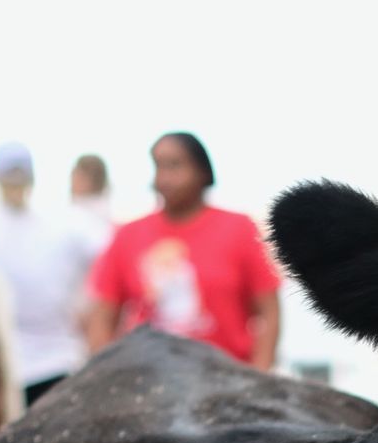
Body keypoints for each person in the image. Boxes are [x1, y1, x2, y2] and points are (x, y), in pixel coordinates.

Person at [85, 132, 280, 370]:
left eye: (174, 166)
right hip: (151, 380)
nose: (163, 178)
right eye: (158, 167)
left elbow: (270, 311)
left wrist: (259, 376)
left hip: (227, 380)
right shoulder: (128, 235)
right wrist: (107, 375)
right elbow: (103, 316)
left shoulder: (239, 229)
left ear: (203, 172)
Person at [0, 141, 102, 406]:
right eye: (10, 177)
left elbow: (109, 260)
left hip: (58, 362)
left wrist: (90, 312)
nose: (15, 185)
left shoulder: (67, 224)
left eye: (20, 177)